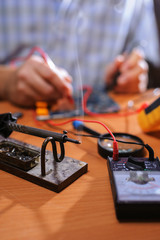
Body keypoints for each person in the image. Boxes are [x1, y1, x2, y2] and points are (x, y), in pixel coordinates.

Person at [0, 0, 159, 108]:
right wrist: (6, 82)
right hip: (13, 117)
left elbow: (144, 57)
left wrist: (132, 72)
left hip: (99, 122)